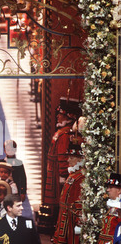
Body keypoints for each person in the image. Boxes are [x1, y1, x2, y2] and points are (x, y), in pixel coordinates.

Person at [42, 97, 81, 231]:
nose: (58, 116)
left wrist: (63, 174)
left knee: (60, 203)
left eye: (61, 114)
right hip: (54, 173)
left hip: (59, 175)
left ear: (68, 116)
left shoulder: (64, 134)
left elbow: (63, 156)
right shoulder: (61, 132)